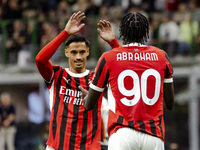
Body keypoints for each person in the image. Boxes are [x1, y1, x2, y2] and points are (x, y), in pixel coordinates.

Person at [79, 12, 174, 150]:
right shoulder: (161, 56)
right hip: (154, 135)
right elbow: (169, 104)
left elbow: (89, 105)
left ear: (122, 32)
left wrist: (85, 96)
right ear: (146, 32)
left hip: (122, 134)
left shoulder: (108, 57)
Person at [35, 11, 119, 150]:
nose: (78, 57)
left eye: (81, 52)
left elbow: (128, 68)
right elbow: (40, 60)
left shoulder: (97, 78)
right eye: (74, 52)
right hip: (57, 146)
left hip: (89, 147)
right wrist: (65, 33)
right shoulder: (57, 75)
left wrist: (113, 42)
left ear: (87, 52)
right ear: (67, 53)